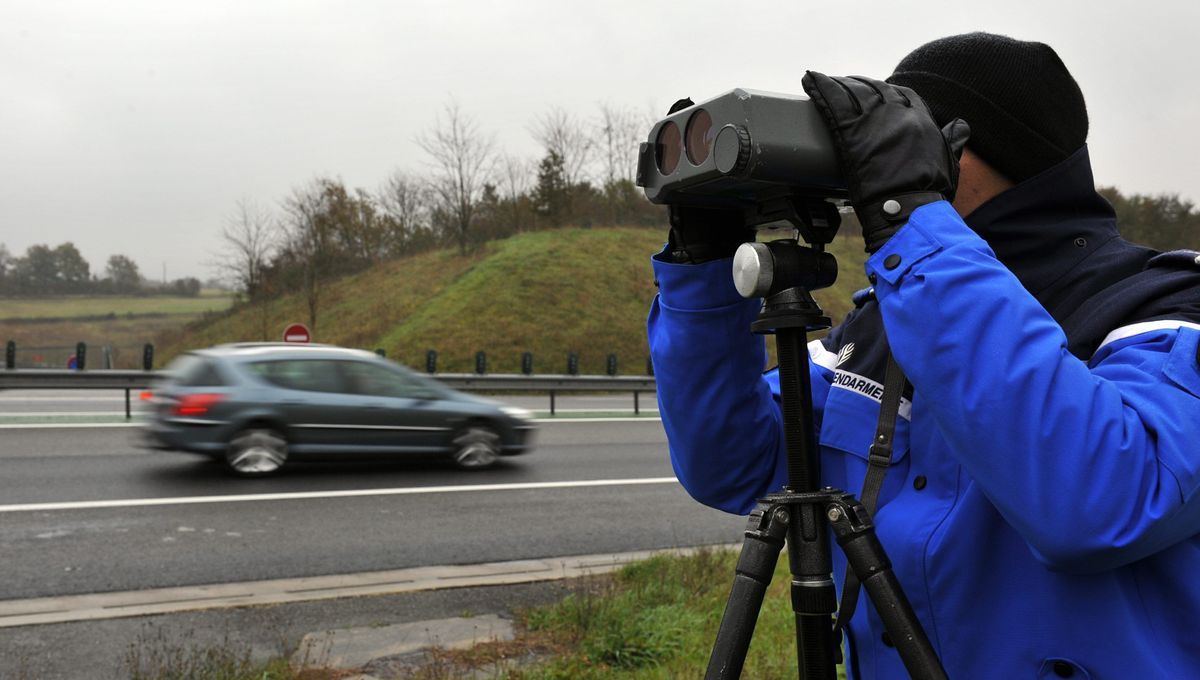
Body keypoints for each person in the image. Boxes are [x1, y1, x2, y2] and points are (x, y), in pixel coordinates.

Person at [648, 32, 1200, 679]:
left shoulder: (1164, 309)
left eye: (905, 134)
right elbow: (732, 465)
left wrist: (909, 217)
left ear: (964, 152)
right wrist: (702, 268)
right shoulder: (883, 320)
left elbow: (1101, 502)